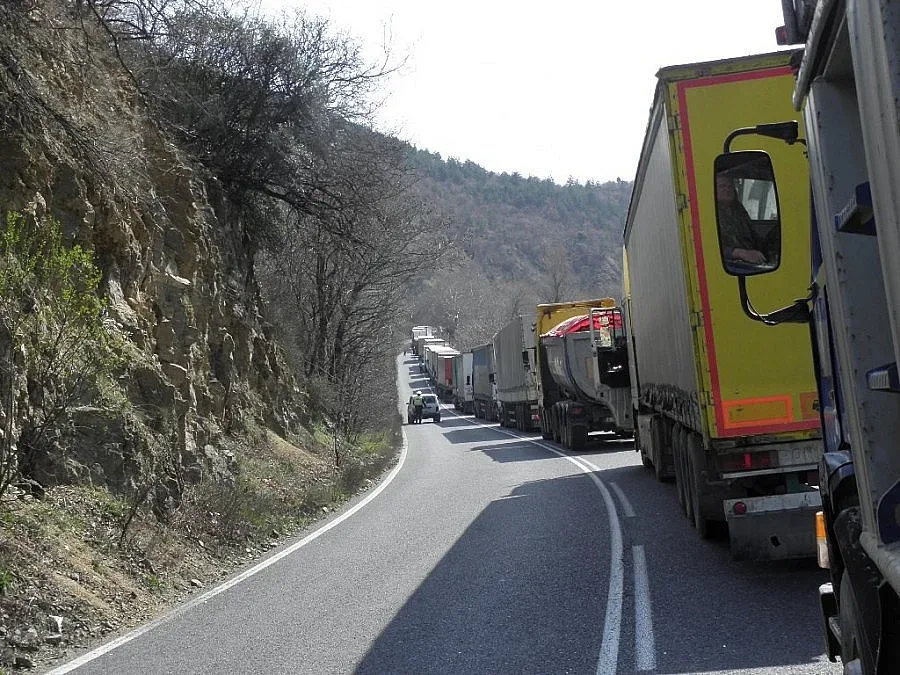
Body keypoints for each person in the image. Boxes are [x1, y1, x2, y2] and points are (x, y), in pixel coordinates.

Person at [716, 175, 767, 264]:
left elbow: (754, 234)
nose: (727, 189)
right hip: (729, 265)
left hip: (752, 261)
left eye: (730, 186)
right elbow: (710, 247)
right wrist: (740, 253)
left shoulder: (739, 209)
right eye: (722, 186)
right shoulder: (709, 212)